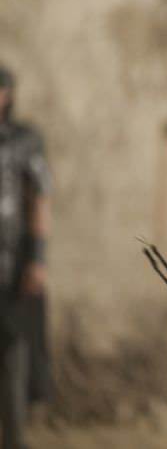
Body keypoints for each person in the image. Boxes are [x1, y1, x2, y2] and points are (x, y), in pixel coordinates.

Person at [0, 64, 51, 449]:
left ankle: (15, 439)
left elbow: (39, 201)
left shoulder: (25, 141)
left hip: (10, 266)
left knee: (13, 358)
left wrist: (38, 259)